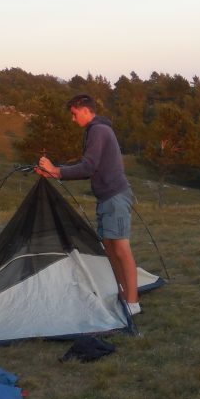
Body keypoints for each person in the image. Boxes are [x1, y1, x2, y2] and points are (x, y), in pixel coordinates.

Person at [36, 94, 140, 315]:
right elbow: (88, 167)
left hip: (115, 196)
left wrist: (56, 170)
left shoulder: (98, 131)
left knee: (121, 249)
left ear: (84, 110)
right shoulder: (95, 131)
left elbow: (88, 167)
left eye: (74, 114)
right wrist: (54, 173)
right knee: (111, 249)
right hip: (106, 199)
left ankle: (133, 302)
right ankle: (123, 295)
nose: (73, 120)